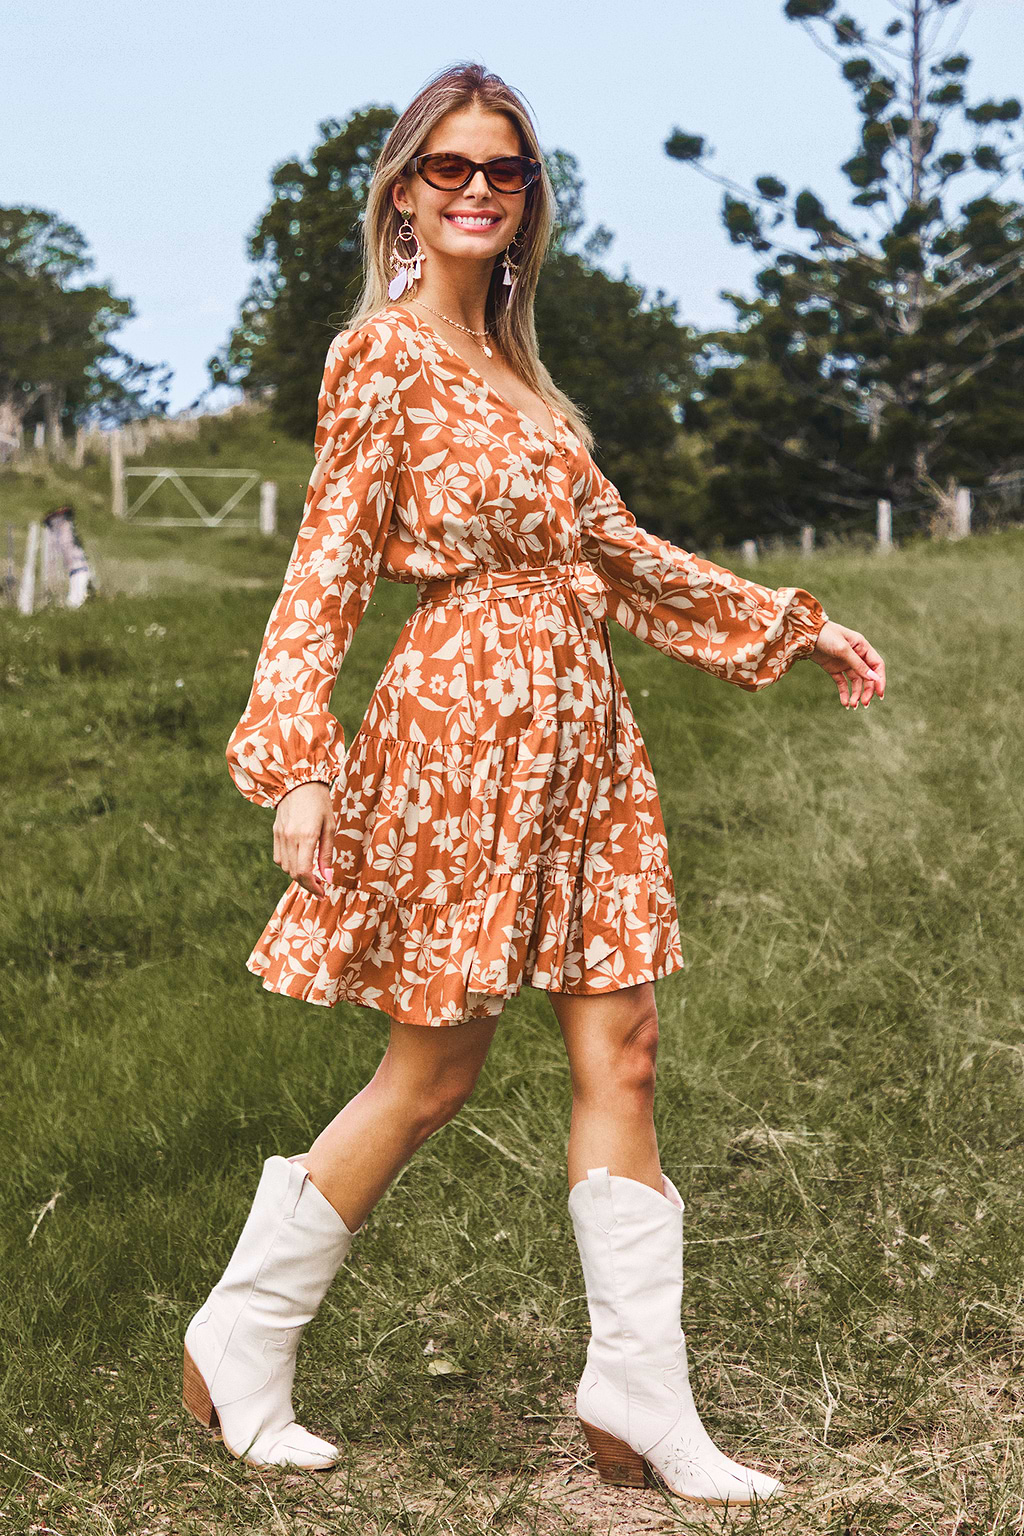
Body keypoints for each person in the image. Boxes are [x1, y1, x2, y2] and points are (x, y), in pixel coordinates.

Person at [181, 62, 885, 1506]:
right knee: (434, 1070)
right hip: (459, 731)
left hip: (583, 739)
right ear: (402, 192)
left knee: (621, 1048)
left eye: (506, 171)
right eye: (450, 168)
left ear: (531, 198)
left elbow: (615, 556)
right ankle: (238, 1336)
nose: (480, 191)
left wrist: (790, 625)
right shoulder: (380, 358)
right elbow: (323, 566)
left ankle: (639, 1396)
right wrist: (298, 764)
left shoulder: (529, 386)